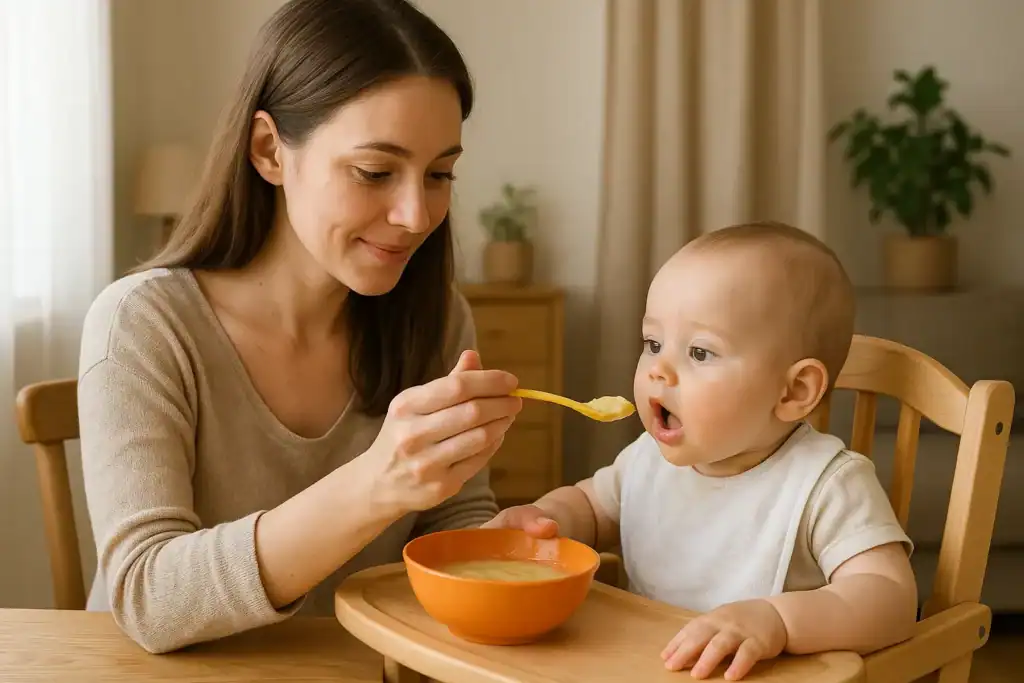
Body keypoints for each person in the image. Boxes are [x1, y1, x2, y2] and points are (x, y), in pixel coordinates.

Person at [77, 0, 522, 654]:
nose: (415, 214)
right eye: (374, 172)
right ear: (269, 152)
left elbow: (451, 516)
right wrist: (375, 483)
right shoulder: (144, 324)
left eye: (439, 174)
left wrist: (505, 544)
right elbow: (149, 596)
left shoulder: (434, 315)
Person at [484, 222, 919, 681]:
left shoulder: (827, 483)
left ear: (793, 391)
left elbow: (890, 597)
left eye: (699, 353)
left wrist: (778, 621)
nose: (658, 370)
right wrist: (546, 521)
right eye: (653, 344)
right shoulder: (647, 459)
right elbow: (591, 508)